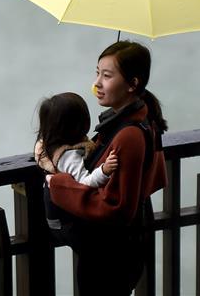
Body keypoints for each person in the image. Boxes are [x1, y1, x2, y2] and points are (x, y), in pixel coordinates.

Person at [44, 41, 168, 296]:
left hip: (111, 254)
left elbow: (117, 207)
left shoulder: (128, 135)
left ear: (133, 84)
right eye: (97, 73)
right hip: (122, 248)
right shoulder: (139, 120)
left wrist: (56, 183)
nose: (97, 83)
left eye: (107, 76)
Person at [33, 92, 119, 234]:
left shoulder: (47, 145)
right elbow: (83, 183)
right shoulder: (69, 156)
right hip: (69, 224)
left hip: (57, 219)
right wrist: (104, 171)